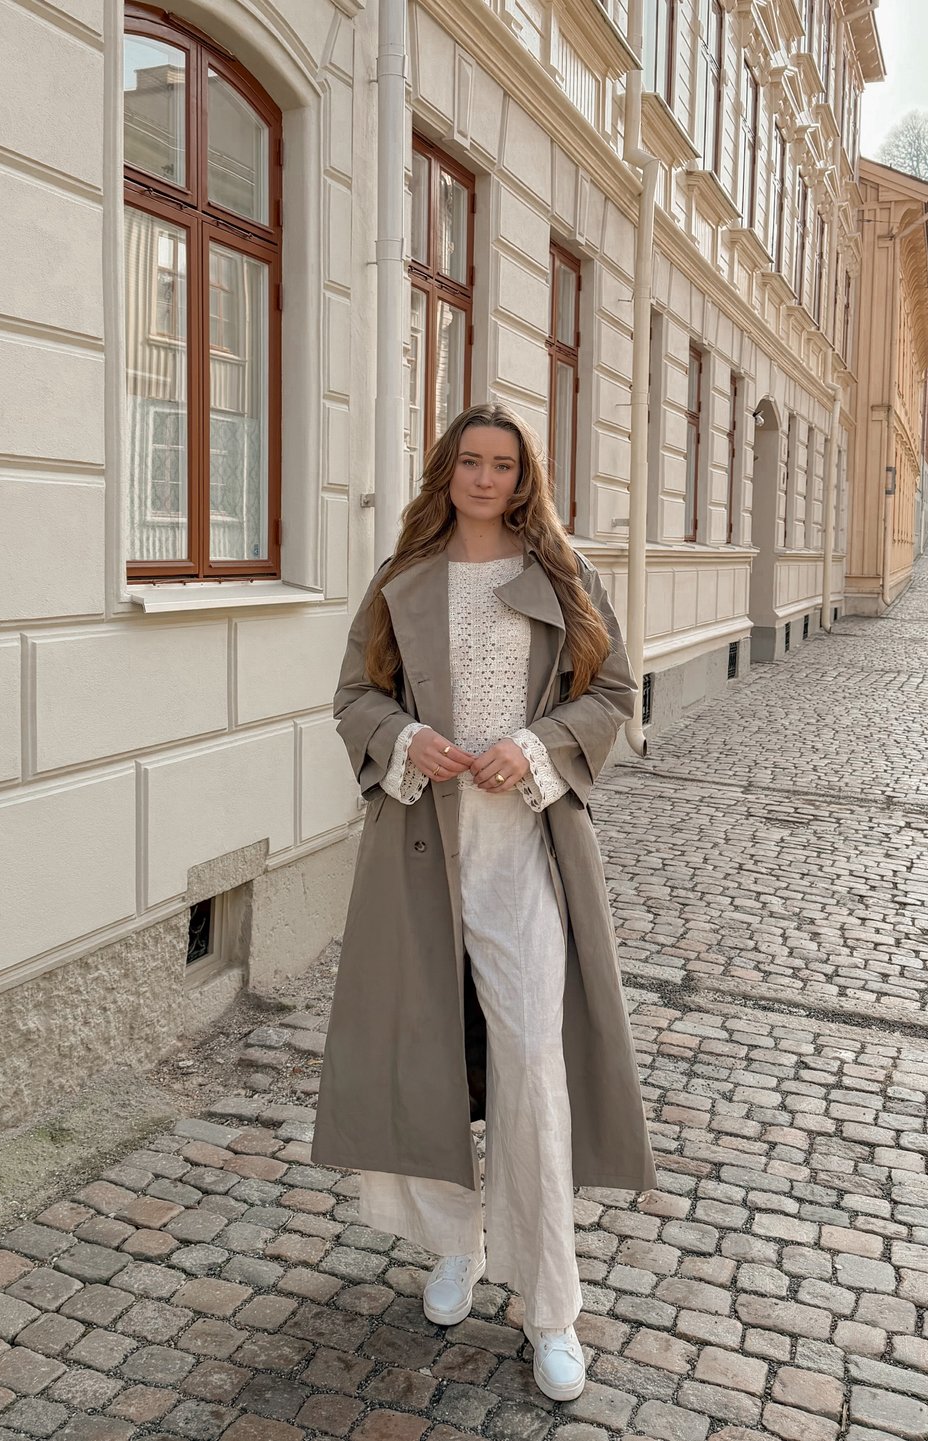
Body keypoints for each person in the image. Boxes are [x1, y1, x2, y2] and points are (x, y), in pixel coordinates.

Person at [311, 402, 655, 1402]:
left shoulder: (561, 573)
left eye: (503, 464)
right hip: (420, 856)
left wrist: (535, 746)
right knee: (423, 1057)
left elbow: (612, 691)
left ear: (522, 477)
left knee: (533, 1063)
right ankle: (454, 1245)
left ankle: (551, 1304)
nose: (485, 477)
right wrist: (406, 739)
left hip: (526, 854)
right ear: (447, 470)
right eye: (470, 460)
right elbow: (354, 698)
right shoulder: (404, 576)